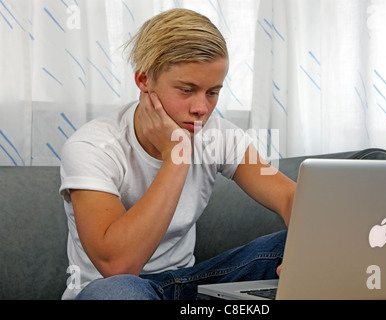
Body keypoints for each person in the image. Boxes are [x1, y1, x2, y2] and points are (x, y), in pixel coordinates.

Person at [59, 8, 296, 300]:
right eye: (187, 90)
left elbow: (289, 197)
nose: (202, 108)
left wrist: (309, 244)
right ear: (144, 80)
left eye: (212, 92)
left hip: (188, 286)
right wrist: (177, 156)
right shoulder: (92, 147)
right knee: (117, 292)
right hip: (117, 289)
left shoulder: (219, 135)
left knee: (301, 243)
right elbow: (119, 265)